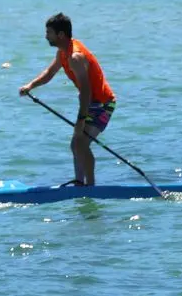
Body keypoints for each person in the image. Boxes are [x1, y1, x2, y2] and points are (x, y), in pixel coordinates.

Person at [18, 12, 116, 186]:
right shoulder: (62, 52)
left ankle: (91, 187)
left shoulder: (75, 57)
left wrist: (81, 120)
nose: (46, 36)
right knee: (76, 144)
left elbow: (85, 92)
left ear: (60, 35)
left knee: (81, 143)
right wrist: (30, 86)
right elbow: (50, 73)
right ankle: (80, 182)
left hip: (102, 103)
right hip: (91, 102)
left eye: (49, 32)